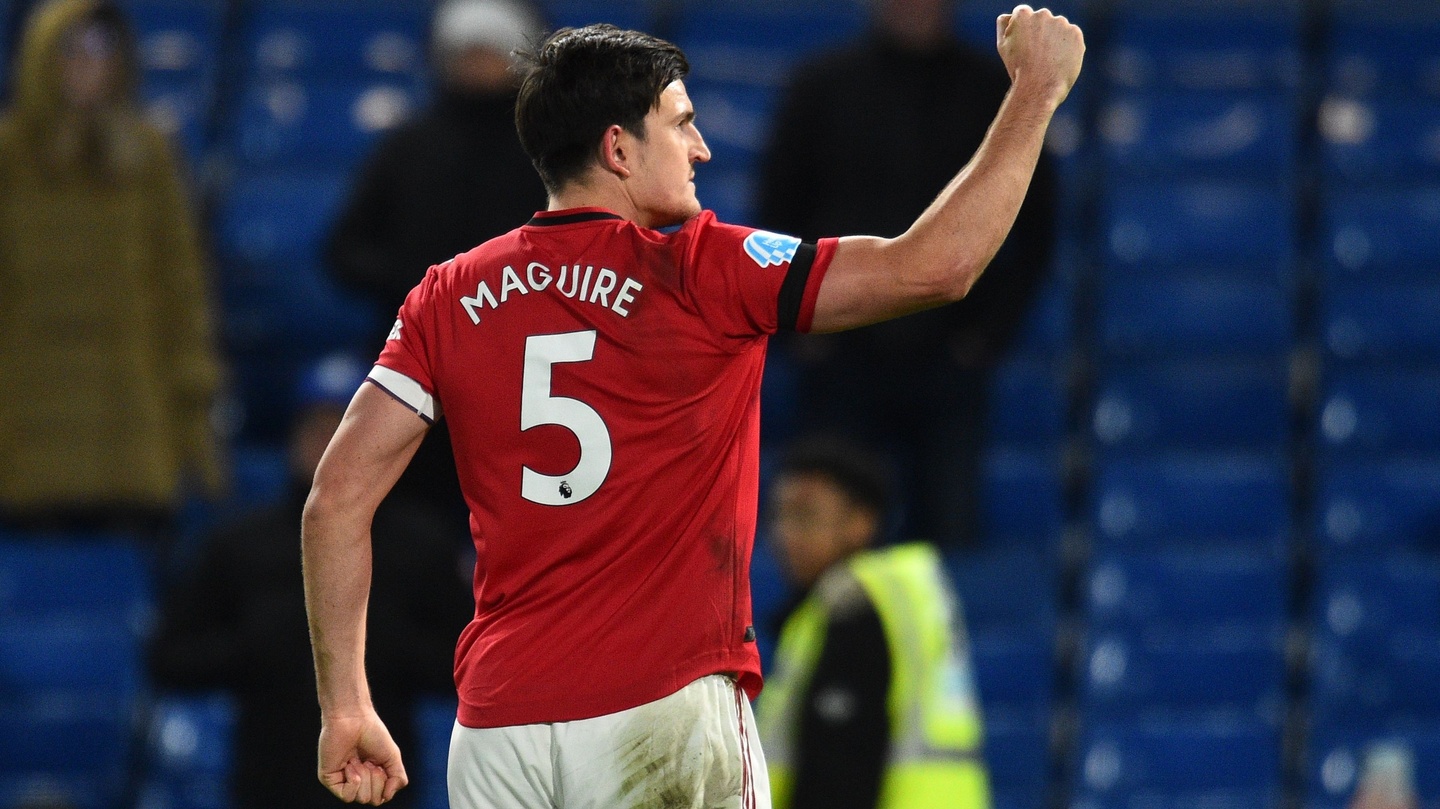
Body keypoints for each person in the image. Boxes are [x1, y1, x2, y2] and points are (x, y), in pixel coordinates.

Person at [302, 8, 1083, 808]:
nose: (702, 148)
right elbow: (938, 267)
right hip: (662, 709)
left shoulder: (448, 294)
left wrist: (346, 706)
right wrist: (1036, 92)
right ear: (617, 148)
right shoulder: (705, 268)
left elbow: (334, 502)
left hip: (499, 729)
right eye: (681, 124)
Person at [757, 0, 1060, 548]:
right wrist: (799, 332)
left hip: (948, 362)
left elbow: (1038, 230)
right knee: (827, 543)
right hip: (839, 357)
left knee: (948, 539)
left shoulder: (993, 90)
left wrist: (983, 338)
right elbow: (775, 215)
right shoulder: (820, 85)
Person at [150, 354, 472, 809]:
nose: (330, 443)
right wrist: (258, 645)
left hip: (382, 787)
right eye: (318, 427)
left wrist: (382, 644)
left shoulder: (421, 544)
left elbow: (466, 665)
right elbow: (168, 658)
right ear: (292, 438)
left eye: (346, 427)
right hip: (269, 785)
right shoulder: (238, 544)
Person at [0, 0, 224, 537]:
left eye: (101, 50)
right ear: (39, 58)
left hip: (130, 423)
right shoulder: (7, 155)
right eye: (72, 49)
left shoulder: (150, 154)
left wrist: (192, 405)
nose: (87, 65)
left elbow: (181, 288)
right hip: (26, 427)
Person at [327, 0, 549, 536]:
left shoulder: (546, 153)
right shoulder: (407, 147)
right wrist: (413, 285)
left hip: (524, 371)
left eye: (488, 53)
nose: (476, 65)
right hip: (420, 367)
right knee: (414, 528)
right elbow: (343, 250)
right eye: (465, 52)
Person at [756, 437, 987, 809]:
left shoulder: (856, 611)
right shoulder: (903, 599)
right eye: (779, 515)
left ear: (860, 522)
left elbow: (837, 777)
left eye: (805, 515)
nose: (786, 534)